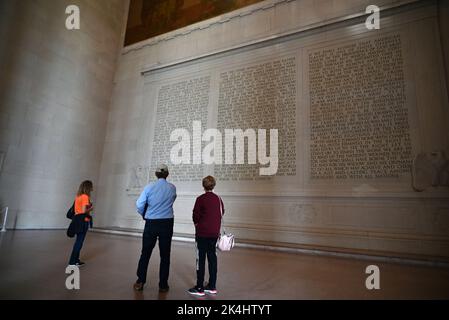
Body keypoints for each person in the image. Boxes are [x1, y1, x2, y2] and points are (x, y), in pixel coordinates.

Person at [134, 164, 177, 292]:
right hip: (167, 222)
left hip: (151, 222)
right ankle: (163, 284)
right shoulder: (172, 188)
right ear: (167, 174)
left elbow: (139, 204)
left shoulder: (149, 187)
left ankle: (140, 281)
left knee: (145, 253)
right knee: (165, 255)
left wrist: (144, 214)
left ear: (156, 174)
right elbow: (172, 199)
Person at [188, 175, 224, 297]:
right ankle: (212, 286)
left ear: (203, 186)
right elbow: (222, 211)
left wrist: (198, 224)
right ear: (213, 185)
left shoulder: (200, 199)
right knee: (213, 259)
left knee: (201, 259)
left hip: (202, 234)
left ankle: (199, 287)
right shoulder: (218, 199)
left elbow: (195, 215)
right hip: (214, 233)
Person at [68, 180, 93, 266]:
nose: (92, 189)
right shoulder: (85, 197)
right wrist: (91, 208)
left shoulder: (78, 197)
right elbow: (83, 211)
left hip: (77, 220)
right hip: (83, 221)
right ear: (88, 187)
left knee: (78, 241)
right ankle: (72, 262)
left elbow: (76, 210)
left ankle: (76, 260)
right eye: (91, 187)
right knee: (79, 242)